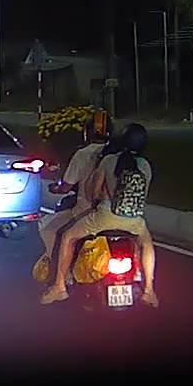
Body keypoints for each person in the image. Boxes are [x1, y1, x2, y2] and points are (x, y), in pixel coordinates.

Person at [41, 124, 158, 307]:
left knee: (68, 237)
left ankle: (59, 287)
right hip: (134, 221)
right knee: (147, 244)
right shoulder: (145, 166)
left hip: (105, 217)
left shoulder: (109, 161)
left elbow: (94, 192)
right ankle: (149, 291)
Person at [34, 110, 113, 280]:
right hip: (119, 214)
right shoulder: (119, 156)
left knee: (50, 229)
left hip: (86, 213)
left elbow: (66, 186)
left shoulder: (83, 154)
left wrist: (56, 187)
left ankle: (63, 278)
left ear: (87, 132)